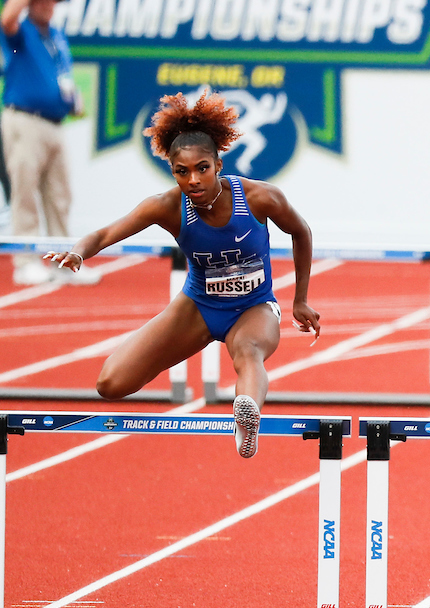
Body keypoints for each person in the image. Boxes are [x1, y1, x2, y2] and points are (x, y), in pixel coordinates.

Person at [42, 91, 321, 458]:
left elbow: (301, 232)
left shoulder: (259, 198)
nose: (193, 180)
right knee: (111, 384)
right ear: (172, 171)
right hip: (198, 306)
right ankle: (229, 386)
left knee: (248, 351)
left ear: (218, 165)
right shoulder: (167, 207)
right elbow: (105, 233)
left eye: (202, 168)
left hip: (254, 307)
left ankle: (247, 417)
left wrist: (299, 298)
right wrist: (79, 251)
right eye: (182, 172)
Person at [1, 0, 95, 285]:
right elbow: (7, 20)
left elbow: (60, 74)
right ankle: (25, 262)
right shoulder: (21, 31)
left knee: (60, 195)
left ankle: (62, 262)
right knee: (25, 190)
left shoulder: (56, 35)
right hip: (25, 120)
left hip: (55, 123)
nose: (50, 5)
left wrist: (71, 99)